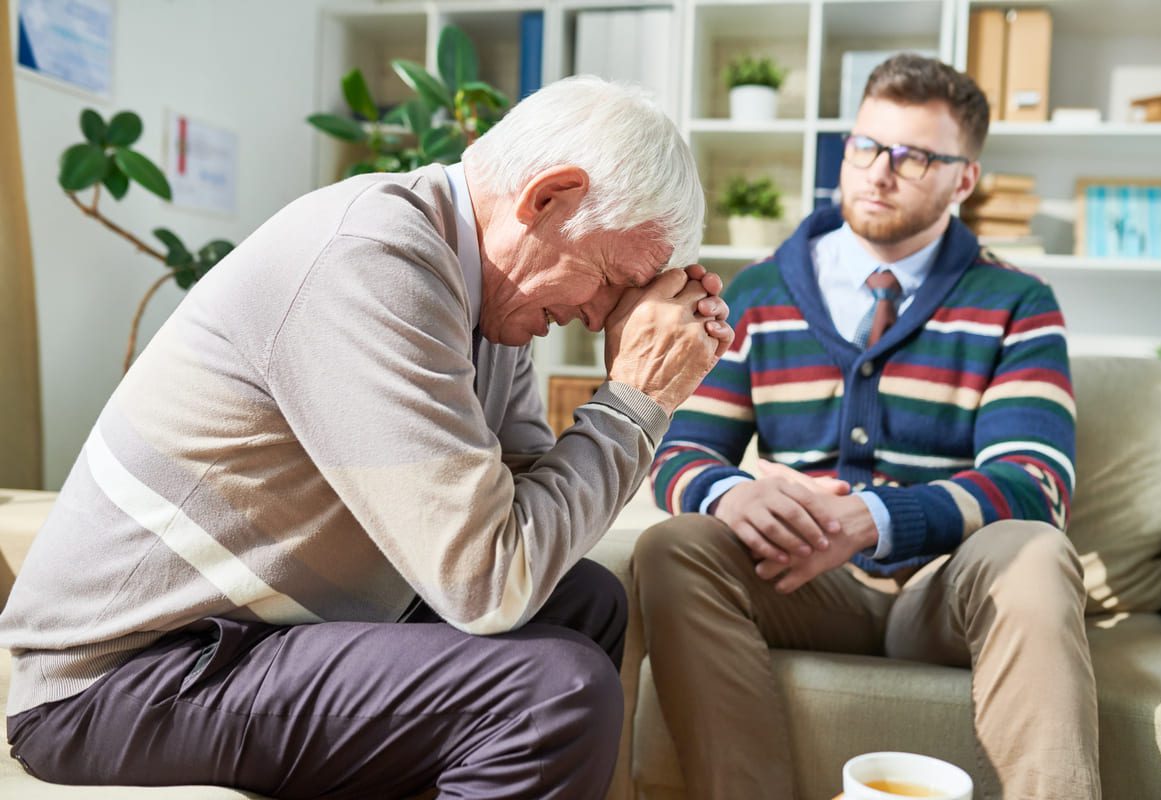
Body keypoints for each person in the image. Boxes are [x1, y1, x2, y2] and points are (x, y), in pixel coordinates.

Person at [0, 76, 733, 799]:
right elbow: (489, 582)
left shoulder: (483, 294)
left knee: (584, 600)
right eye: (608, 280)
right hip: (118, 676)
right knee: (554, 693)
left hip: (250, 632)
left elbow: (531, 521)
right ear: (546, 199)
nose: (600, 316)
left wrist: (640, 388)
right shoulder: (375, 259)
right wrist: (635, 401)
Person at [636, 54, 1099, 800]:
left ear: (963, 180)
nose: (879, 172)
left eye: (915, 156)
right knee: (674, 546)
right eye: (865, 146)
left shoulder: (1017, 300)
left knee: (1036, 551)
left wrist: (875, 518)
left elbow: (1036, 483)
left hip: (942, 590)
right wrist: (728, 494)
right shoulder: (757, 291)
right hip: (804, 585)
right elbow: (682, 448)